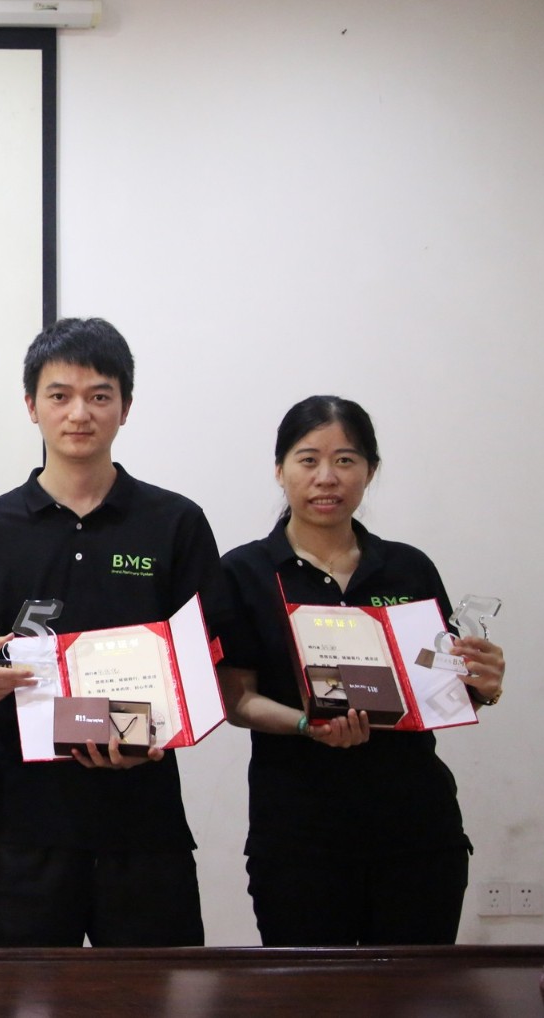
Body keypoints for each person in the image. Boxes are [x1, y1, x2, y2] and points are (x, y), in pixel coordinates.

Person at [0, 317, 216, 947]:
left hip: (144, 820)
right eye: (59, 395)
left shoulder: (175, 522)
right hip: (24, 821)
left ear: (125, 407)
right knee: (15, 990)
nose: (79, 414)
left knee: (151, 990)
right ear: (31, 405)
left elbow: (202, 656)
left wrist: (169, 724)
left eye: (99, 395)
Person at [210, 395, 506, 945]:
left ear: (370, 470)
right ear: (279, 469)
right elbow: (237, 700)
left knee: (416, 988)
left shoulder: (409, 567)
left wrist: (482, 687)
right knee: (311, 989)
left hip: (417, 834)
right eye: (308, 459)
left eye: (345, 460)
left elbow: (440, 687)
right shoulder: (244, 572)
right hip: (298, 839)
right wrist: (308, 725)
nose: (327, 477)